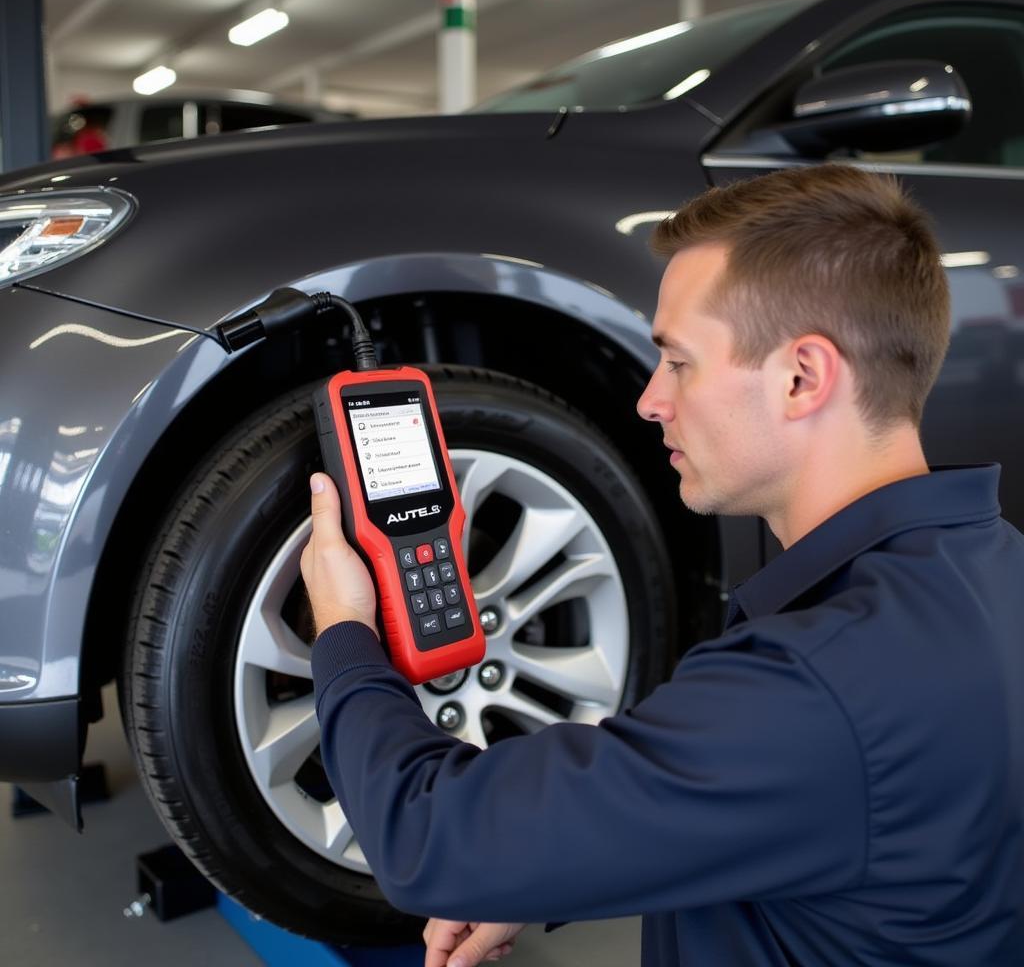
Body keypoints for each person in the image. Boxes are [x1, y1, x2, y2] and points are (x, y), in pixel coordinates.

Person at [300, 165, 1024, 966]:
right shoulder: (995, 568)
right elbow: (809, 816)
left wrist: (344, 630)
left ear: (801, 377)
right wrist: (548, 872)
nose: (650, 399)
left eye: (678, 361)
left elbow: (430, 837)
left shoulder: (816, 687)